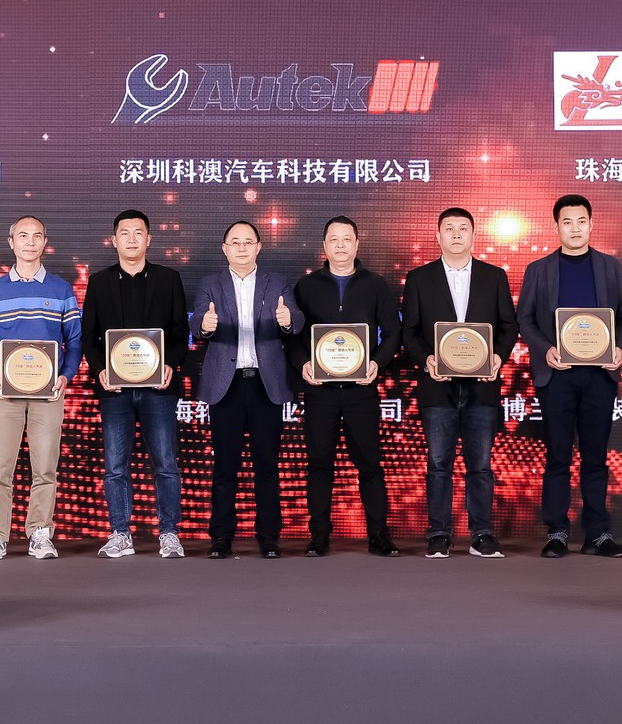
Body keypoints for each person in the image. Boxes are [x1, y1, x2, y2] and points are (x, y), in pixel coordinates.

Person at [516, 195, 622, 558]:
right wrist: (545, 349)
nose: (575, 228)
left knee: (596, 457)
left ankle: (597, 534)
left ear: (591, 224)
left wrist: (620, 349)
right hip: (557, 376)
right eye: (567, 222)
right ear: (556, 227)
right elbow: (525, 318)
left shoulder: (609, 266)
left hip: (600, 375)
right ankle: (556, 532)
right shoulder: (538, 269)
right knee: (558, 457)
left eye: (581, 221)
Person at [401, 207, 521, 559]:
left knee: (480, 465)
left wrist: (497, 356)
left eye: (463, 228)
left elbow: (509, 325)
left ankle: (482, 534)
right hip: (437, 386)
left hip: (482, 386)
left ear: (473, 235)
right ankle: (438, 534)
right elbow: (409, 331)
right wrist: (427, 360)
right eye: (449, 228)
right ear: (437, 236)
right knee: (439, 464)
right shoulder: (419, 278)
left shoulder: (494, 276)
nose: (456, 234)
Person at [287, 216, 402, 557]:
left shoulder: (376, 285)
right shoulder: (305, 286)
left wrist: (377, 363)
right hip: (319, 390)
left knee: (370, 464)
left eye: (346, 239)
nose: (340, 245)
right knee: (319, 463)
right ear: (324, 245)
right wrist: (302, 364)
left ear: (356, 244)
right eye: (333, 239)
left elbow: (393, 333)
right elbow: (292, 336)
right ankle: (319, 536)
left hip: (361, 390)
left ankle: (379, 535)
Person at [80, 210, 189, 559]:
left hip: (159, 389)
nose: (131, 238)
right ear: (114, 240)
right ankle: (120, 533)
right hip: (114, 391)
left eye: (138, 232)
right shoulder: (99, 282)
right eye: (124, 233)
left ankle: (169, 533)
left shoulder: (169, 279)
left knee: (166, 464)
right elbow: (88, 335)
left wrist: (170, 364)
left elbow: (180, 331)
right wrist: (100, 369)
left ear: (148, 239)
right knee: (115, 467)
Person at [0, 215, 82, 560]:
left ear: (45, 242)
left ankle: (40, 532)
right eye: (23, 236)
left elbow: (74, 341)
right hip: (3, 392)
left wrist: (65, 376)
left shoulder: (62, 290)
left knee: (45, 467)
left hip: (48, 393)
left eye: (37, 236)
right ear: (11, 242)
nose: (30, 242)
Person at [194, 220, 304, 559]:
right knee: (225, 467)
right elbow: (196, 323)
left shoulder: (277, 282)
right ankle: (221, 537)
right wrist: (204, 325)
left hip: (265, 383)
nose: (241, 248)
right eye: (235, 242)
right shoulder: (210, 284)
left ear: (258, 247)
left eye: (248, 242)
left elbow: (297, 319)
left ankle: (268, 537)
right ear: (224, 248)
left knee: (266, 465)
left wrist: (287, 320)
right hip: (225, 385)